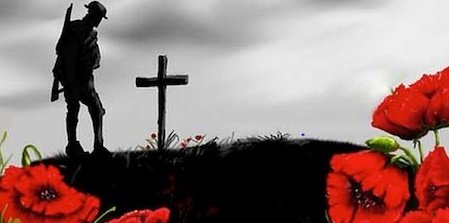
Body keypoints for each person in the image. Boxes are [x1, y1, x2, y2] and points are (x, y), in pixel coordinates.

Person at [52, 1, 110, 157]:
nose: (98, 21)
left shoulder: (89, 33)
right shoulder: (74, 28)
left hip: (78, 78)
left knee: (81, 109)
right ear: (92, 15)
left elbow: (95, 59)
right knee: (87, 108)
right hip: (76, 79)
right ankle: (78, 144)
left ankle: (94, 144)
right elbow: (60, 49)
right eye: (98, 17)